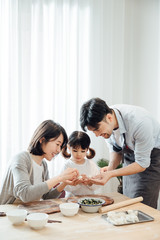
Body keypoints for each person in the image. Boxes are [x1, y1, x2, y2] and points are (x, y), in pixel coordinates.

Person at [80, 97, 160, 208]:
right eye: (93, 132)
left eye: (97, 130)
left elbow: (142, 164)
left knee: (142, 205)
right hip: (130, 155)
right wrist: (110, 169)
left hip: (151, 158)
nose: (97, 135)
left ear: (109, 118)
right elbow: (116, 150)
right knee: (127, 200)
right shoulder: (107, 121)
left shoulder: (140, 123)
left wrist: (111, 174)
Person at [0, 120, 79, 204]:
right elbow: (25, 194)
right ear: (42, 139)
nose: (58, 150)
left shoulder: (43, 164)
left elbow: (46, 197)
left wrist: (64, 183)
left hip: (29, 212)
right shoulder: (21, 159)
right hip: (9, 214)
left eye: (60, 146)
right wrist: (59, 177)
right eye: (57, 144)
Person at [61, 131, 100, 196]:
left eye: (82, 151)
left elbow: (98, 185)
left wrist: (89, 183)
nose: (79, 154)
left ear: (87, 149)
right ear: (69, 147)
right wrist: (76, 184)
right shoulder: (67, 165)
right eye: (75, 151)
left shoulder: (91, 164)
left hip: (89, 199)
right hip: (72, 200)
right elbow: (63, 186)